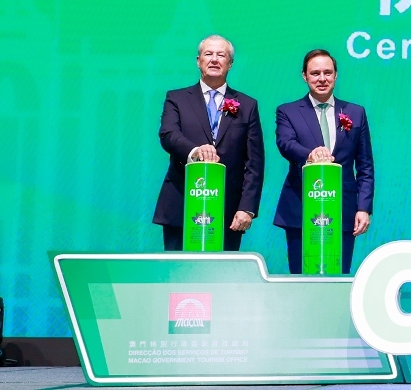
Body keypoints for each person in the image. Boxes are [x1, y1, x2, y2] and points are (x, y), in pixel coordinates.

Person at [153, 35, 264, 250]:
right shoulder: (177, 98)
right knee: (179, 270)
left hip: (227, 212)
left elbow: (254, 163)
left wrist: (247, 208)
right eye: (208, 54)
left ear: (230, 63)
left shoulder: (247, 105)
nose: (214, 59)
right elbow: (168, 134)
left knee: (221, 271)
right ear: (198, 61)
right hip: (181, 205)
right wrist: (194, 150)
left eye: (221, 55)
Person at [273, 49, 374, 273]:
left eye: (327, 73)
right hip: (301, 207)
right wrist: (309, 154)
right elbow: (285, 143)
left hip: (343, 209)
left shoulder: (355, 112)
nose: (322, 78)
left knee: (337, 276)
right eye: (315, 73)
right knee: (301, 278)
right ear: (304, 76)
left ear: (336, 75)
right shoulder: (288, 111)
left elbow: (365, 165)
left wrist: (363, 208)